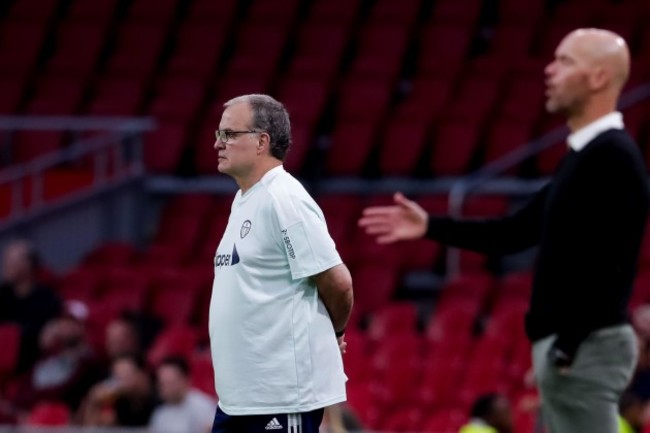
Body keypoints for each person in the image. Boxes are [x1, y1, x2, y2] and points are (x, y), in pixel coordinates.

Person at [359, 28, 648, 433]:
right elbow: (514, 232)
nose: (549, 71)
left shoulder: (612, 156)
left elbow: (613, 263)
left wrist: (567, 346)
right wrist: (430, 226)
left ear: (598, 77)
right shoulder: (585, 157)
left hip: (584, 348)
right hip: (574, 349)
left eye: (565, 61)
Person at [210, 94, 354, 433]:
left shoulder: (283, 198)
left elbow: (338, 282)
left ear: (262, 142)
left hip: (281, 398)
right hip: (239, 401)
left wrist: (335, 332)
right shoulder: (245, 198)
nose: (218, 143)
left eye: (229, 134)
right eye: (219, 134)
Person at [0, 240, 62, 371]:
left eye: (12, 261)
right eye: (6, 260)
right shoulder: (4, 294)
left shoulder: (46, 298)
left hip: (31, 365)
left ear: (28, 264)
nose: (6, 265)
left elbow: (42, 337)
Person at [79, 354, 157, 427]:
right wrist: (93, 402)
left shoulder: (152, 400)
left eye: (128, 375)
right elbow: (92, 427)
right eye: (118, 376)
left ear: (140, 375)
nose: (123, 381)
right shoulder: (114, 399)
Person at [149, 356, 216, 433]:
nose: (165, 388)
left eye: (170, 383)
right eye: (162, 384)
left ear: (185, 379)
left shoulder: (203, 406)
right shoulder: (159, 414)